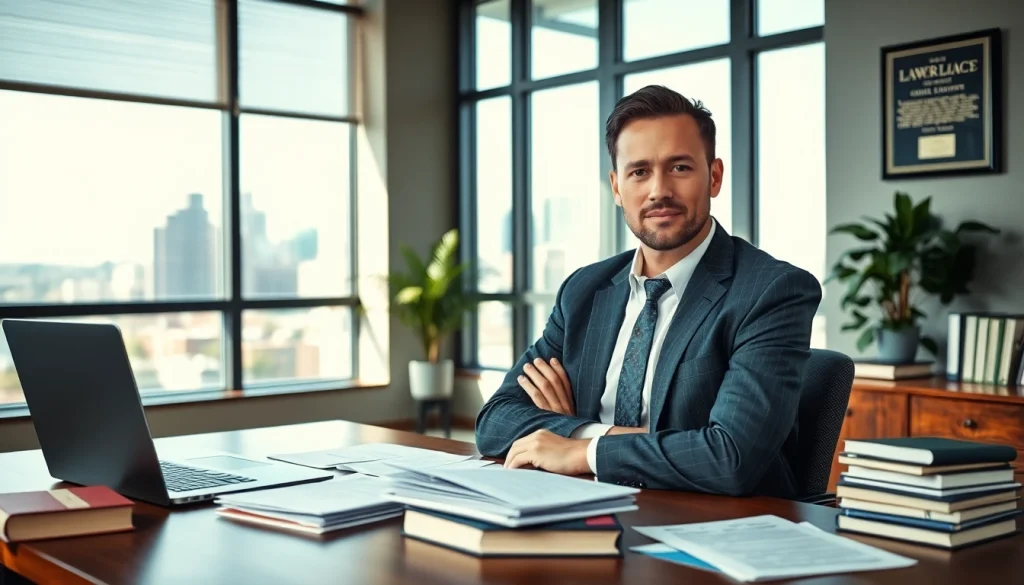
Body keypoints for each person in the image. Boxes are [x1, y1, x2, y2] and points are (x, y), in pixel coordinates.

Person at [474, 85, 822, 498]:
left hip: (715, 528)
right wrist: (606, 438)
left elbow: (730, 458)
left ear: (714, 176)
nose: (659, 190)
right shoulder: (584, 290)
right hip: (587, 510)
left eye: (679, 168)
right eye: (639, 172)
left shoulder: (771, 292)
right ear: (617, 187)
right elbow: (495, 421)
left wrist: (582, 452)